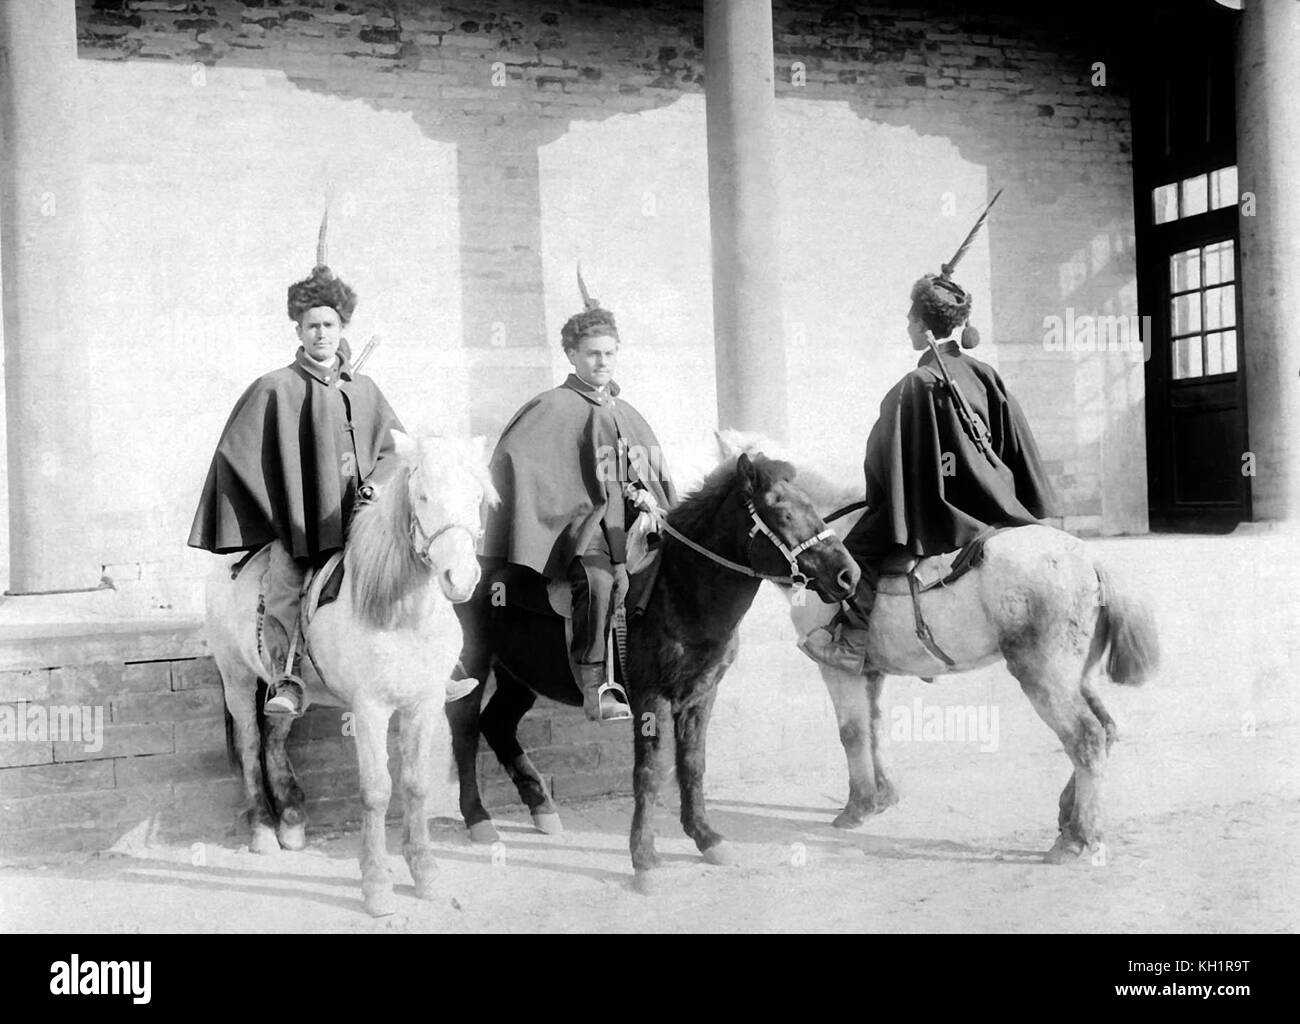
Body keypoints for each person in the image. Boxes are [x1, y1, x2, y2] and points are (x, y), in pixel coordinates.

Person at [799, 260, 1057, 676]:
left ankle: (851, 642)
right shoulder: (986, 375)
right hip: (994, 505)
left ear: (923, 325)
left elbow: (886, 463)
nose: (905, 323)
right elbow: (1015, 446)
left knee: (855, 551)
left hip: (939, 511)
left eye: (910, 316)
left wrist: (881, 501)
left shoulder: (914, 385)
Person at [188, 227, 404, 716]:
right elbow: (239, 455)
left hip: (362, 522)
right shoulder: (276, 388)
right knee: (286, 581)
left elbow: (395, 451)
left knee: (406, 573)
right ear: (298, 331)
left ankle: (430, 667)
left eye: (329, 325)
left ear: (342, 327)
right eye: (311, 326)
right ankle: (286, 675)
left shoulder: (365, 390)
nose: (321, 334)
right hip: (303, 525)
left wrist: (375, 487)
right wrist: (281, 510)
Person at [459, 271, 676, 722]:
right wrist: (579, 512)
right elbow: (521, 470)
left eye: (610, 354)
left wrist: (650, 502)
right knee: (599, 581)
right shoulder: (550, 407)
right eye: (593, 354)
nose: (602, 363)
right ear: (573, 354)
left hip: (631, 532)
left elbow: (646, 475)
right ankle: (596, 683)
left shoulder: (627, 413)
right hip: (580, 534)